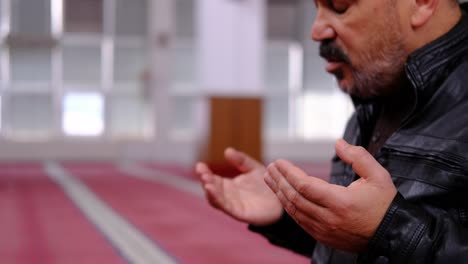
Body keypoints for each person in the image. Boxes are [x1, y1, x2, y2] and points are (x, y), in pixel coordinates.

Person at [196, 0, 468, 262]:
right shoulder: (376, 94)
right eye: (316, 8)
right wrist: (289, 214)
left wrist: (390, 229)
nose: (316, 31)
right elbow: (359, 245)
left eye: (340, 6)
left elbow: (386, 234)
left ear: (421, 3)